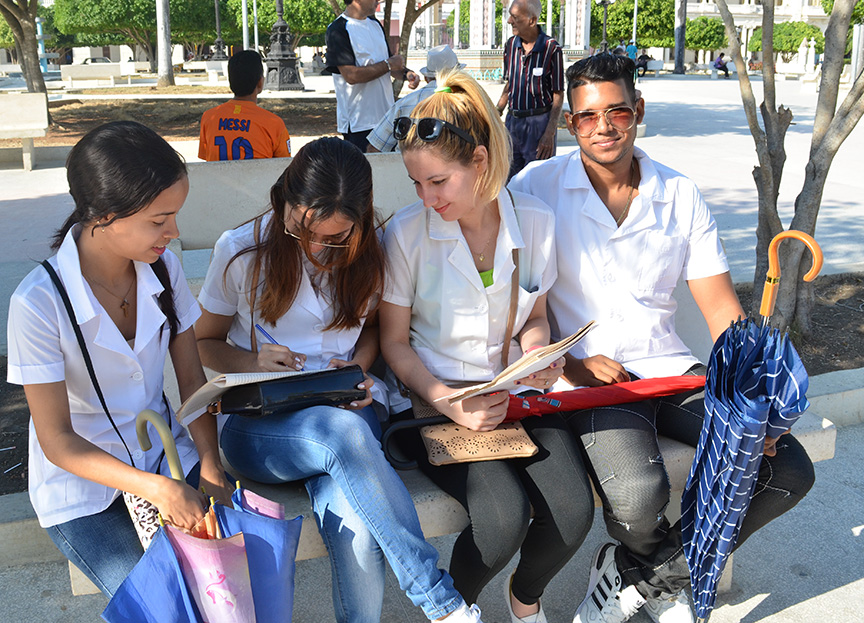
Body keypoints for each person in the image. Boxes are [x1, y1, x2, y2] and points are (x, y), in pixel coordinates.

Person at [509, 54, 815, 623]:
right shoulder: (535, 188)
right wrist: (573, 363)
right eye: (586, 116)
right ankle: (662, 582)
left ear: (638, 111)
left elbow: (722, 309)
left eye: (617, 111)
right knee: (638, 495)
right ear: (570, 124)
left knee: (786, 467)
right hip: (587, 384)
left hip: (672, 370)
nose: (603, 127)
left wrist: (756, 401)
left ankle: (642, 581)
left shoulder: (679, 194)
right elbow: (521, 307)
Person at [194, 137, 484, 623]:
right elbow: (204, 343)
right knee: (341, 434)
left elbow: (372, 331)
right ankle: (442, 604)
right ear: (285, 201)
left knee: (357, 523)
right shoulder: (242, 251)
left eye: (334, 238)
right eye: (302, 233)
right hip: (261, 424)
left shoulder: (371, 252)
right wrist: (252, 359)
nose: (315, 249)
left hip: (346, 410)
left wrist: (359, 370)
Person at [380, 69, 595, 623]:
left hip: (513, 394)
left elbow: (536, 315)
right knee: (502, 520)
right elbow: (394, 344)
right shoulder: (406, 234)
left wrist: (539, 353)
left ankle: (525, 602)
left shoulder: (536, 223)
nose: (427, 198)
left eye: (438, 182)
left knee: (572, 514)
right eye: (417, 184)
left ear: (479, 161)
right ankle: (456, 611)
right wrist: (449, 400)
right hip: (435, 402)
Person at [6, 121, 234, 597]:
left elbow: (192, 381)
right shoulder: (39, 303)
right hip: (85, 492)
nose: (174, 232)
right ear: (104, 215)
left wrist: (210, 462)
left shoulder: (164, 269)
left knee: (229, 576)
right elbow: (58, 442)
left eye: (175, 215)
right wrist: (157, 490)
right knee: (161, 601)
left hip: (168, 457)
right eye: (158, 220)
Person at [325, 0, 420, 152]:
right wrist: (388, 64)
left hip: (388, 119)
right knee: (364, 174)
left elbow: (387, 65)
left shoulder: (375, 24)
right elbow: (351, 76)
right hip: (359, 124)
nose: (378, 0)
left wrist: (405, 74)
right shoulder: (338, 29)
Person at [495, 0, 564, 179]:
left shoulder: (551, 48)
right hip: (513, 123)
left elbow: (558, 93)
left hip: (538, 125)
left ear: (532, 21)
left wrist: (549, 132)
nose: (509, 21)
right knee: (509, 180)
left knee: (538, 180)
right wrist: (496, 112)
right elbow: (510, 83)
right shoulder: (510, 45)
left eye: (515, 17)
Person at [367, 44, 465, 153]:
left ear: (426, 78)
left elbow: (374, 148)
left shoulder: (403, 104)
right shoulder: (468, 103)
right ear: (457, 75)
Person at [198, 50, 291, 161]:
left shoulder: (208, 118)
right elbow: (283, 165)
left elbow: (206, 156)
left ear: (230, 81)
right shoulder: (274, 123)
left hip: (218, 178)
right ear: (260, 83)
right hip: (260, 178)